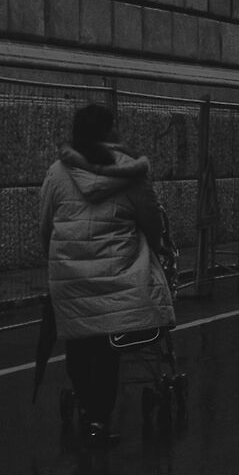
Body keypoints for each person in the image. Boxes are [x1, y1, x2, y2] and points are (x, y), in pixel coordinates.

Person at [39, 104, 176, 447]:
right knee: (107, 345)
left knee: (80, 342)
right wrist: (158, 246)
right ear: (111, 131)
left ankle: (90, 411)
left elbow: (46, 222)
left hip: (70, 272)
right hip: (116, 271)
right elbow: (151, 222)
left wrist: (57, 257)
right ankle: (100, 415)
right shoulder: (130, 174)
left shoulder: (58, 173)